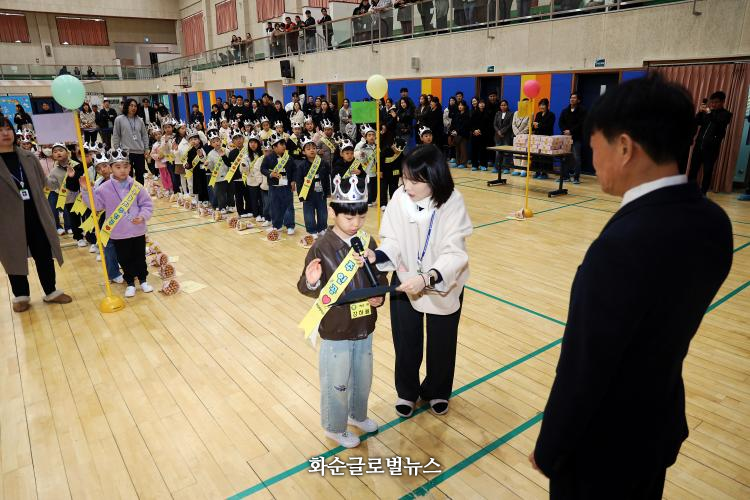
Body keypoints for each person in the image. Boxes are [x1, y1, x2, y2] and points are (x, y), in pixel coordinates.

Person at [530, 75, 733, 499]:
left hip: (602, 450)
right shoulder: (714, 223)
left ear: (624, 147)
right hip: (656, 426)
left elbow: (585, 367)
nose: (593, 157)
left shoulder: (622, 246)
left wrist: (550, 448)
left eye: (595, 145)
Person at [363, 144, 471, 417]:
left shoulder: (452, 201)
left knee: (442, 341)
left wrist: (428, 277)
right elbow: (393, 239)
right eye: (404, 178)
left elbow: (454, 251)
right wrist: (378, 255)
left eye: (415, 181)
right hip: (405, 278)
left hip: (441, 281)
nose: (407, 186)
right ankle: (407, 392)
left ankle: (438, 390)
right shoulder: (400, 197)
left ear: (433, 178)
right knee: (406, 340)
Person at [297, 172, 386, 449]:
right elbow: (304, 286)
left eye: (362, 217)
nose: (355, 223)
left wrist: (379, 296)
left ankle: (357, 415)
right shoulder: (321, 247)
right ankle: (334, 426)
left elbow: (378, 276)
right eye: (349, 218)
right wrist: (312, 281)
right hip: (336, 328)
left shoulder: (368, 242)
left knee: (363, 377)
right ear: (332, 212)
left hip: (364, 324)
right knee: (336, 381)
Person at [0, 117, 73, 312]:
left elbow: (43, 183)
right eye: (0, 130)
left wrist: (66, 175)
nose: (5, 133)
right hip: (7, 220)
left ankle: (51, 291)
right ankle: (21, 295)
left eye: (8, 128)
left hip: (36, 214)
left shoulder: (28, 157)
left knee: (43, 253)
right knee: (13, 255)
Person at [81, 148, 154, 298]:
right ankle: (130, 283)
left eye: (126, 166)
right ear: (111, 168)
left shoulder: (136, 186)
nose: (122, 170)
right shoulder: (104, 188)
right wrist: (86, 191)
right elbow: (96, 206)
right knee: (124, 259)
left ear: (130, 167)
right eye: (118, 167)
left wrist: (142, 216)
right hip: (118, 232)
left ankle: (143, 280)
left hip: (137, 230)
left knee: (140, 257)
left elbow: (147, 204)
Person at [688, 91, 733, 194]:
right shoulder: (707, 113)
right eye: (712, 102)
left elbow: (718, 122)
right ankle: (689, 191)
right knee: (693, 169)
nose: (713, 104)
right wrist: (700, 112)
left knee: (707, 171)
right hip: (699, 145)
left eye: (716, 102)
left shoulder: (726, 114)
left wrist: (708, 113)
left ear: (722, 102)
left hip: (711, 148)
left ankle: (703, 193)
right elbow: (697, 122)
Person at [296, 135, 331, 240]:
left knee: (323, 212)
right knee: (308, 214)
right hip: (308, 194)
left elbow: (327, 179)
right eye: (308, 149)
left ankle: (322, 228)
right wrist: (301, 195)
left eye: (314, 148)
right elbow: (299, 182)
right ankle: (311, 230)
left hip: (321, 193)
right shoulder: (301, 166)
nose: (312, 150)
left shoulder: (323, 163)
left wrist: (328, 191)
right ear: (303, 152)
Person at [261, 132, 296, 235]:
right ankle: (277, 226)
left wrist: (293, 181)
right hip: (274, 186)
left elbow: (294, 170)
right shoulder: (268, 157)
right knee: (275, 207)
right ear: (274, 147)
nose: (284, 146)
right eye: (281, 144)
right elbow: (263, 169)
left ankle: (290, 226)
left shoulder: (289, 157)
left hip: (286, 186)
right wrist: (270, 174)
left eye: (284, 144)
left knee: (288, 206)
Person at [112, 98, 149, 184]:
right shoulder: (119, 119)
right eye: (131, 105)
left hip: (139, 152)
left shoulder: (140, 120)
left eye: (135, 106)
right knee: (128, 176)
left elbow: (144, 135)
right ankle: (128, 192)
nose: (133, 108)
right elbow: (116, 135)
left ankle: (140, 192)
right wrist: (118, 150)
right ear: (127, 106)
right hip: (126, 153)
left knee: (140, 176)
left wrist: (146, 148)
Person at [559, 92, 587, 184]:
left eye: (574, 98)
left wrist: (571, 131)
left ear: (578, 100)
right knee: (565, 157)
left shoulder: (582, 111)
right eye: (571, 98)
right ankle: (565, 176)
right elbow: (561, 122)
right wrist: (565, 130)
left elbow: (581, 124)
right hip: (565, 138)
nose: (572, 99)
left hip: (576, 137)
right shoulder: (565, 110)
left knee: (576, 157)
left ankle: (576, 178)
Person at [532, 98, 555, 179]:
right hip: (538, 138)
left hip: (546, 138)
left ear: (547, 106)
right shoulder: (538, 114)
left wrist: (538, 125)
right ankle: (537, 171)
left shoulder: (551, 115)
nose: (541, 107)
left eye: (543, 105)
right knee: (536, 155)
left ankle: (544, 173)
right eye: (540, 105)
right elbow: (534, 126)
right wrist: (533, 126)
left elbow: (548, 126)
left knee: (545, 156)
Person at [469, 98, 492, 171]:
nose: (481, 104)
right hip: (475, 135)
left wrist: (481, 131)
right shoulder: (474, 113)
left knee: (483, 150)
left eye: (483, 103)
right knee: (474, 150)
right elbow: (470, 124)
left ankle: (483, 164)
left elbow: (489, 125)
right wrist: (474, 131)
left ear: (485, 104)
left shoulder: (488, 113)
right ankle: (474, 165)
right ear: (478, 104)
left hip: (484, 135)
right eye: (480, 103)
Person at [493, 99, 513, 173]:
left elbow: (510, 125)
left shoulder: (511, 114)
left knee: (506, 152)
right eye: (501, 105)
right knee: (498, 152)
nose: (503, 106)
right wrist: (498, 131)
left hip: (506, 136)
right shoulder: (497, 113)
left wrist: (502, 131)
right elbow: (494, 124)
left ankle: (506, 168)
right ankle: (496, 167)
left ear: (507, 106)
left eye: (504, 105)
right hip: (497, 136)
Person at [449, 101, 470, 168]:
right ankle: (457, 162)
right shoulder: (457, 114)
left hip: (463, 134)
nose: (460, 106)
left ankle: (463, 163)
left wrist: (457, 131)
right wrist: (453, 130)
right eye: (459, 105)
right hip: (456, 134)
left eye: (461, 105)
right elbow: (454, 124)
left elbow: (465, 125)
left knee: (463, 149)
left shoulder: (467, 115)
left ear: (464, 106)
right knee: (457, 149)